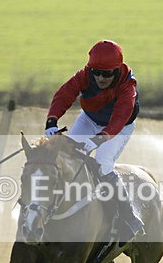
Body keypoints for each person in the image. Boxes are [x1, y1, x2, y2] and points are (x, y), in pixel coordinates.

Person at [44, 39, 144, 236]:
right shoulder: (84, 76)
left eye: (106, 74)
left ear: (117, 71)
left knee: (102, 163)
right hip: (89, 120)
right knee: (66, 156)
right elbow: (65, 94)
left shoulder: (127, 88)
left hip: (119, 127)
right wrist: (51, 121)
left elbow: (117, 121)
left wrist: (98, 139)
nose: (100, 78)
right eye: (96, 72)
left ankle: (129, 217)